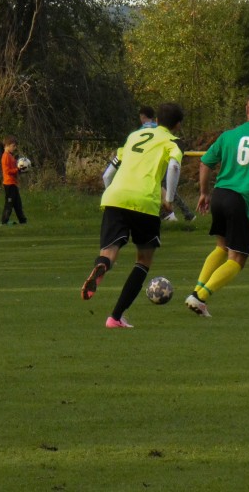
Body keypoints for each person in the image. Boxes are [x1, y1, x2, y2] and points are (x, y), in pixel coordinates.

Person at [81, 102, 185, 328]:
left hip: (115, 197)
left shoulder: (134, 136)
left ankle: (102, 265)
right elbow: (174, 167)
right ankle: (115, 317)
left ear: (156, 119)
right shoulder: (172, 141)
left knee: (108, 253)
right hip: (145, 201)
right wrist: (169, 199)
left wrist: (114, 193)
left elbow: (107, 174)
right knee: (143, 260)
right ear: (177, 125)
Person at [185, 91, 249, 317]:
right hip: (242, 200)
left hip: (220, 194)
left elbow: (205, 163)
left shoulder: (228, 135)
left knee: (221, 247)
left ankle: (196, 292)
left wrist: (204, 193)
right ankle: (200, 298)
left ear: (246, 110)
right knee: (238, 258)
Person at [138, 105, 196, 222]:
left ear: (143, 117)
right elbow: (174, 166)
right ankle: (180, 213)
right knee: (167, 188)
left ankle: (169, 213)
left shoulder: (140, 132)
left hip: (151, 166)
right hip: (164, 162)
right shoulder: (165, 134)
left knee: (162, 188)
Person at [1, 134, 27, 225]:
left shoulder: (11, 156)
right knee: (9, 203)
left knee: (18, 203)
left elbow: (15, 166)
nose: (14, 148)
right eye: (13, 146)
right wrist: (17, 170)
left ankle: (22, 220)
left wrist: (21, 167)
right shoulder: (5, 156)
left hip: (13, 183)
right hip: (9, 184)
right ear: (7, 145)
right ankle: (4, 221)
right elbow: (7, 171)